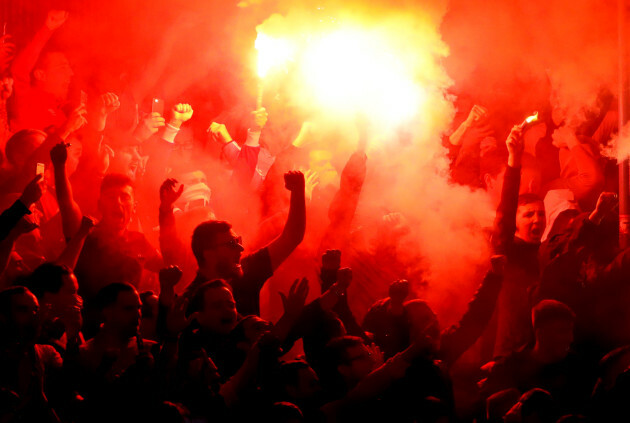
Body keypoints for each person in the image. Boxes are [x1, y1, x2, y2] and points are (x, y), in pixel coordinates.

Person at [182, 170, 305, 316]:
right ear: (208, 254)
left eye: (238, 241)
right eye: (231, 244)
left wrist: (298, 191)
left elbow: (292, 238)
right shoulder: (191, 300)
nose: (241, 248)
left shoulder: (246, 270)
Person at [482, 300, 594, 416]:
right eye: (562, 331)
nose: (570, 338)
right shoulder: (510, 367)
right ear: (540, 334)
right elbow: (485, 408)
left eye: (571, 331)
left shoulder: (577, 368)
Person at [10, 10, 73, 131]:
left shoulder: (60, 113)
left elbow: (70, 147)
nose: (71, 73)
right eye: (62, 67)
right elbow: (19, 69)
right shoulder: (28, 101)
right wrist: (47, 29)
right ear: (40, 75)